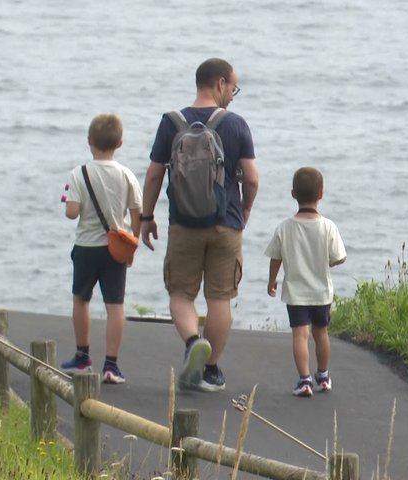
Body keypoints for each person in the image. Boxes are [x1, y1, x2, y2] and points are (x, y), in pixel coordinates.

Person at [141, 58, 259, 392]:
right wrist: (245, 210)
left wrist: (146, 217)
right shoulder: (235, 124)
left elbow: (153, 175)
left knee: (180, 294)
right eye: (233, 87)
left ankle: (194, 341)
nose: (233, 95)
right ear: (219, 83)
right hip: (226, 225)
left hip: (183, 224)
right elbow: (251, 178)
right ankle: (210, 371)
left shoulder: (171, 123)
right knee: (220, 298)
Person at [61, 113, 142, 384]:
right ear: (120, 143)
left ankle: (82, 357)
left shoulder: (78, 173)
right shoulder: (127, 175)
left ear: (89, 141)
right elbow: (136, 213)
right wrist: (133, 244)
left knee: (81, 299)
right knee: (114, 305)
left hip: (86, 246)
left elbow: (72, 213)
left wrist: (68, 201)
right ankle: (112, 365)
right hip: (115, 248)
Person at [265, 167, 346, 397]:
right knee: (321, 333)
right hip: (321, 292)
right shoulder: (328, 226)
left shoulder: (285, 227)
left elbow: (276, 257)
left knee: (300, 335)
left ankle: (304, 380)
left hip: (296, 292)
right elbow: (339, 257)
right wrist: (324, 263)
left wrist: (272, 281)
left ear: (293, 194)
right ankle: (323, 374)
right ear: (321, 194)